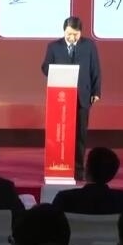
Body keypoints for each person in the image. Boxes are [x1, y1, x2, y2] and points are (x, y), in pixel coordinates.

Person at [40, 16, 101, 181]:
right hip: (61, 99)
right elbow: (45, 68)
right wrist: (56, 70)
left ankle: (79, 170)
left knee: (80, 135)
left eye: (75, 34)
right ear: (64, 31)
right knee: (60, 134)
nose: (72, 37)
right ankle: (59, 165)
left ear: (80, 32)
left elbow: (95, 69)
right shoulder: (53, 47)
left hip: (82, 96)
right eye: (69, 34)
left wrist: (96, 92)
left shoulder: (89, 46)